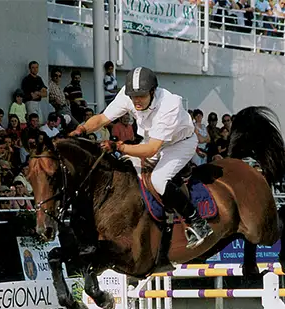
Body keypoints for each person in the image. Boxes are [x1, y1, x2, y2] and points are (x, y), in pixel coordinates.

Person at [69, 67, 213, 248]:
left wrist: (119, 146)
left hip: (180, 144)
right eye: (133, 96)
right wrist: (81, 129)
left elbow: (152, 149)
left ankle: (197, 222)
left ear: (152, 92)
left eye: (141, 96)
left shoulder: (169, 105)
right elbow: (102, 118)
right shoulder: (127, 95)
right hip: (152, 140)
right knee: (124, 168)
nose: (136, 101)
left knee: (158, 180)